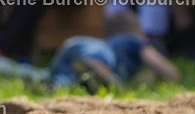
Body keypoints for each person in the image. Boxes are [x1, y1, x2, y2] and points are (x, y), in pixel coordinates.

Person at [48, 11, 179, 92]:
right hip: (95, 49)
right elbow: (166, 69)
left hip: (71, 52)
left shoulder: (121, 54)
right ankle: (96, 65)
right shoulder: (132, 40)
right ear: (141, 33)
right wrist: (171, 73)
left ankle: (53, 82)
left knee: (73, 79)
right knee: (102, 55)